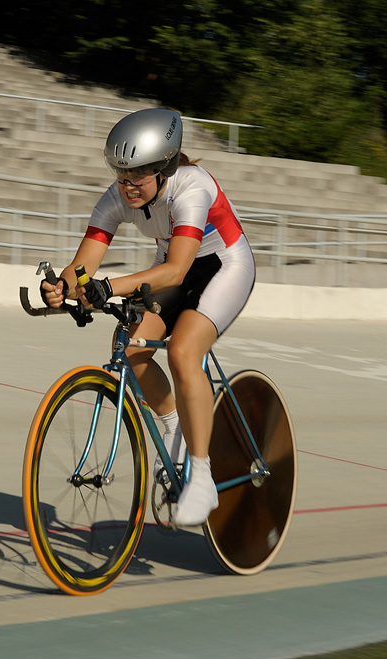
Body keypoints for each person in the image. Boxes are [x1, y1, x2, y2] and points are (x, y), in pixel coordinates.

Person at [40, 108, 255, 527]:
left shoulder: (192, 188)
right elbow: (83, 262)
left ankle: (203, 477)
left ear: (165, 167)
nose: (127, 187)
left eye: (137, 177)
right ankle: (175, 431)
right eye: (121, 176)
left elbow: (177, 271)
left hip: (223, 266)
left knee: (182, 353)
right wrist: (63, 288)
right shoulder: (118, 195)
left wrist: (109, 286)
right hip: (171, 269)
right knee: (133, 351)